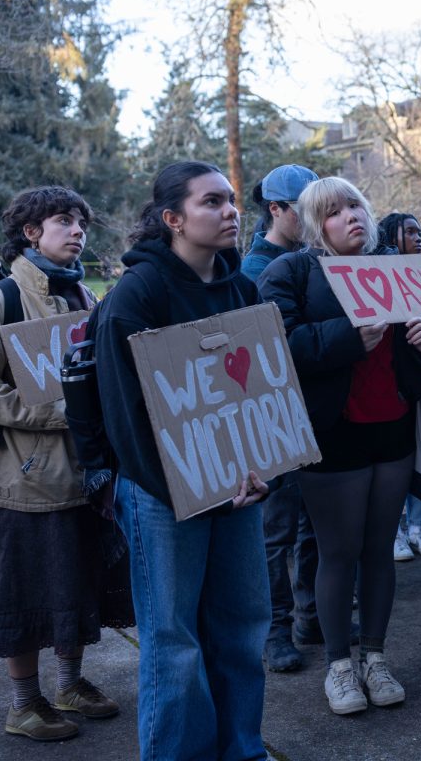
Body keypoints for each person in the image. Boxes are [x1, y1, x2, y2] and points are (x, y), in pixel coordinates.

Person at [258, 177, 421, 715]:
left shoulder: (400, 268)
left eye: (356, 207)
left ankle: (375, 656)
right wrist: (350, 337)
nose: (351, 217)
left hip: (393, 430)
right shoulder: (291, 272)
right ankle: (339, 667)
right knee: (338, 552)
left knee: (378, 552)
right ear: (311, 224)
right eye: (333, 212)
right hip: (332, 437)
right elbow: (276, 348)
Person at [92, 162, 270, 758]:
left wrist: (263, 469)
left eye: (232, 201)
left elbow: (265, 396)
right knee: (174, 644)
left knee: (243, 631)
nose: (230, 212)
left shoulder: (243, 288)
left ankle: (242, 749)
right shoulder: (134, 298)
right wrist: (190, 486)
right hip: (164, 496)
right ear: (173, 219)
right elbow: (126, 419)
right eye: (212, 202)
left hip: (242, 490)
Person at [0, 188, 132, 742]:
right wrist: (56, 414)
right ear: (31, 232)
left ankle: (69, 684)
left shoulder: (84, 293)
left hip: (85, 474)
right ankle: (23, 703)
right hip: (27, 476)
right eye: (64, 221)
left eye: (81, 221)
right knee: (26, 591)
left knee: (76, 584)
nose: (77, 231)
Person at [245, 164, 321, 673]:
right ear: (276, 209)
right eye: (305, 209)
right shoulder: (251, 270)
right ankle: (274, 629)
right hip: (273, 416)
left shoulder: (319, 260)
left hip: (317, 410)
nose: (317, 219)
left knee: (317, 523)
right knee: (275, 530)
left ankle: (311, 616)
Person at [377, 212, 421, 561]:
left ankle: (419, 528)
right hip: (392, 388)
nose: (419, 238)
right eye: (410, 232)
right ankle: (397, 534)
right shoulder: (373, 274)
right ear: (390, 236)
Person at [242, 164, 318, 280]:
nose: (311, 218)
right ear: (275, 209)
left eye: (317, 210)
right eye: (303, 211)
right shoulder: (254, 269)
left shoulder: (313, 253)